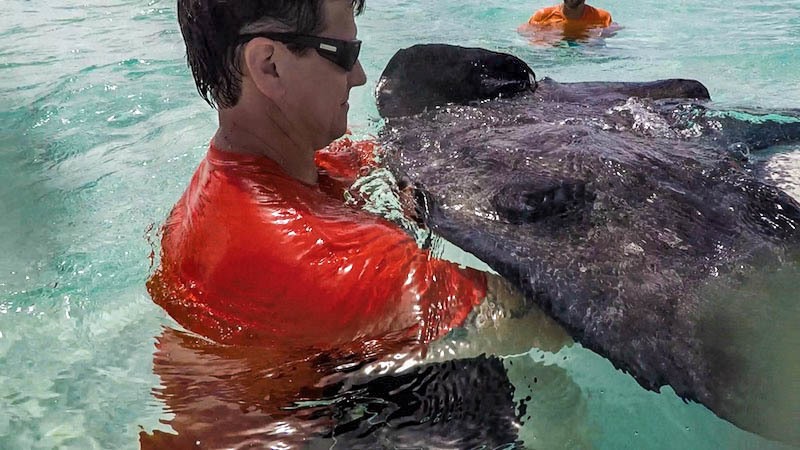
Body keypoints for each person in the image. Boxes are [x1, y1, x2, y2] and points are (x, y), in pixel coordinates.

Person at [520, 0, 614, 41]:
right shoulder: (543, 15)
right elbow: (524, 32)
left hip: (587, 54)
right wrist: (544, 37)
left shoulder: (602, 17)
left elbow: (611, 33)